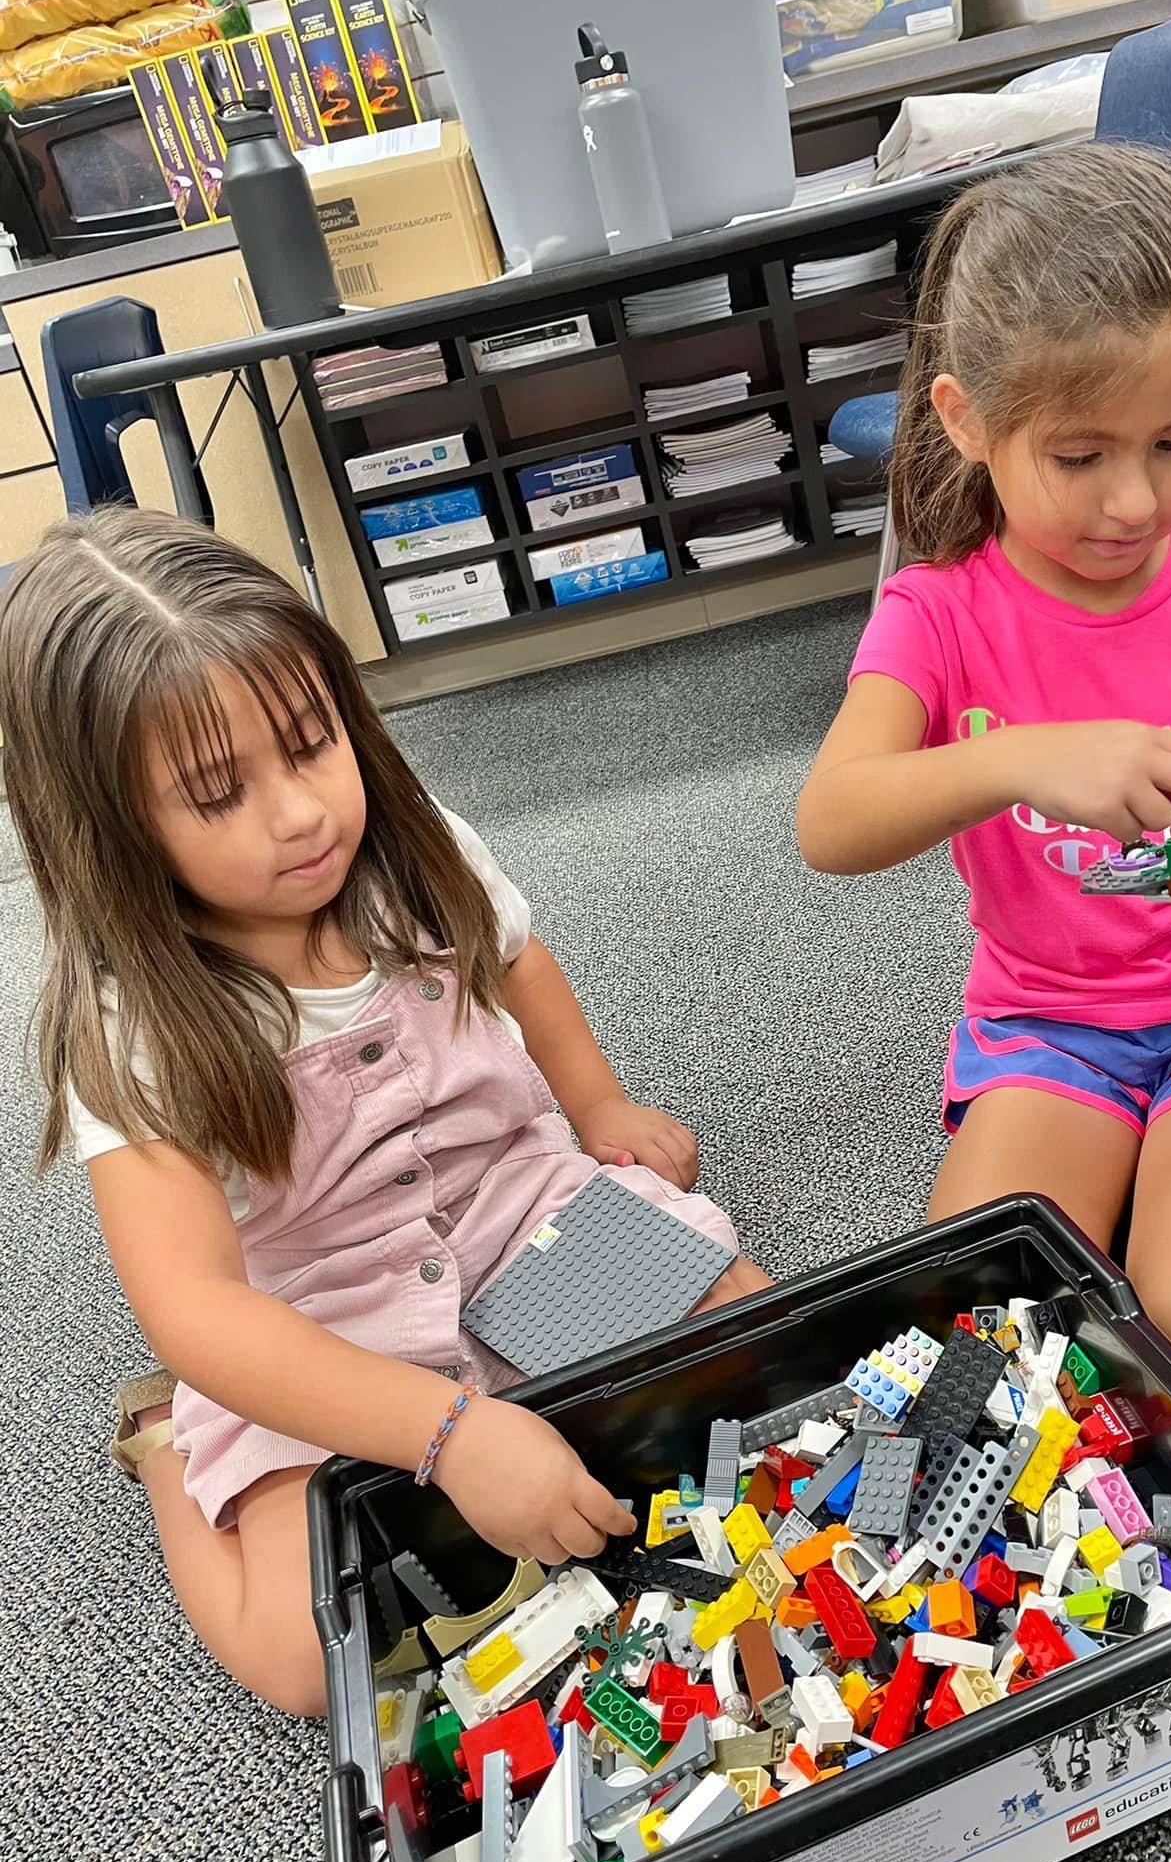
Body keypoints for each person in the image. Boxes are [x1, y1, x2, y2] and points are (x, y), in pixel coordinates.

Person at [0, 508, 766, 1717]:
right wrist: (448, 1430)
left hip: (515, 1210)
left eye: (312, 743)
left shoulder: (417, 852)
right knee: (308, 1660)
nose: (300, 812)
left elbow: (518, 960)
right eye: (218, 794)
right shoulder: (132, 1021)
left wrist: (598, 1100)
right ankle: (166, 1451)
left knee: (757, 1359)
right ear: (114, 830)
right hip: (321, 1313)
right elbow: (196, 1305)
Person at [799, 143, 1171, 1401]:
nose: (1134, 501)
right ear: (967, 420)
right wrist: (1019, 756)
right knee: (976, 1346)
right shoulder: (936, 612)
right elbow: (832, 821)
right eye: (1079, 457)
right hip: (1053, 1020)